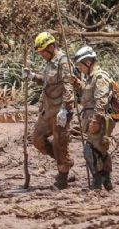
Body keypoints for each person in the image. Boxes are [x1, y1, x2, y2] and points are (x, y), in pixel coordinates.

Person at [22, 32, 74, 189]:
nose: (42, 55)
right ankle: (64, 160)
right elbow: (46, 82)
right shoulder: (49, 62)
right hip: (47, 110)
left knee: (60, 143)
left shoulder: (63, 62)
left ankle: (62, 176)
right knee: (37, 139)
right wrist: (31, 76)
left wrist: (66, 108)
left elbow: (68, 86)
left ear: (52, 47)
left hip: (60, 112)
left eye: (43, 51)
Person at [70, 46, 115, 190]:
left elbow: (101, 100)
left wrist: (96, 120)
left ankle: (98, 182)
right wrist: (77, 84)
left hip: (98, 120)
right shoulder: (90, 78)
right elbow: (87, 94)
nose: (79, 68)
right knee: (99, 151)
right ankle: (106, 182)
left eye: (80, 65)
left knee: (91, 150)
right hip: (91, 118)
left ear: (88, 62)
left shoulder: (100, 77)